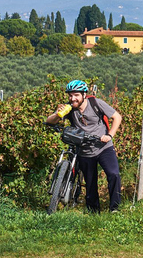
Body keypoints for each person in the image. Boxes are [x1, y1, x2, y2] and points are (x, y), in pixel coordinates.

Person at [46, 80, 123, 213]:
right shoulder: (69, 109)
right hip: (84, 150)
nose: (72, 98)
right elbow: (49, 121)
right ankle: (94, 211)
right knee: (90, 182)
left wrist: (109, 135)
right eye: (70, 95)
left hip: (104, 147)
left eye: (76, 95)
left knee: (113, 174)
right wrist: (58, 114)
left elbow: (117, 117)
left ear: (84, 95)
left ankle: (115, 208)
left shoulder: (95, 103)